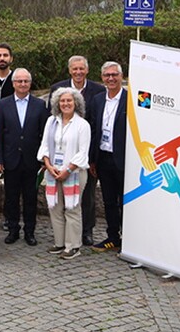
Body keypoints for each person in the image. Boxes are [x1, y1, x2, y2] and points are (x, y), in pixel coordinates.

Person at [48, 56, 106, 246]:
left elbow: (97, 124)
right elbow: (52, 123)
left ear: (87, 70)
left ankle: (86, 231)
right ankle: (63, 237)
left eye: (82, 69)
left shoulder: (98, 91)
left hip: (85, 156)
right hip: (58, 159)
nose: (78, 72)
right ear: (69, 70)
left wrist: (91, 159)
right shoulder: (58, 88)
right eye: (75, 69)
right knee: (59, 203)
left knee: (87, 195)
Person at [0, 68, 50, 247]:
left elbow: (44, 134)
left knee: (31, 197)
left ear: (30, 83)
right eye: (19, 81)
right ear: (13, 83)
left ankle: (30, 231)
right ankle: (13, 230)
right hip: (11, 160)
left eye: (26, 81)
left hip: (32, 160)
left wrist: (43, 159)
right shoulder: (3, 104)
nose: (22, 84)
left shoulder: (40, 105)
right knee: (11, 197)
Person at [39, 88, 91, 260]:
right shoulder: (51, 121)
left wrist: (67, 170)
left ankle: (73, 246)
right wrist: (48, 165)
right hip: (53, 172)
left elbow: (83, 152)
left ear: (76, 102)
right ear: (57, 103)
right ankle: (59, 243)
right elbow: (45, 145)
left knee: (72, 208)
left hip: (74, 173)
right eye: (62, 101)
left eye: (69, 100)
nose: (66, 104)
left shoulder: (82, 125)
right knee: (55, 208)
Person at [88, 61, 127, 252]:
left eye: (114, 75)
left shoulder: (132, 98)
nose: (111, 78)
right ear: (102, 78)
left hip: (124, 159)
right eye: (107, 75)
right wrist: (92, 159)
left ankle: (129, 239)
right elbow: (94, 130)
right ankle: (113, 236)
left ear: (121, 76)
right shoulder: (97, 100)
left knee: (125, 201)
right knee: (109, 201)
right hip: (103, 158)